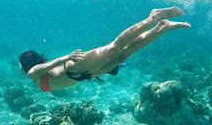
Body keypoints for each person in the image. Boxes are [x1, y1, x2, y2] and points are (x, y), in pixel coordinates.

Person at [19, 7, 191, 92]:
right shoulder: (36, 76)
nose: (19, 67)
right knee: (123, 54)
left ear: (27, 64)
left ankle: (151, 18)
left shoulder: (32, 73)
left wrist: (65, 57)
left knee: (115, 47)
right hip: (85, 75)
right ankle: (161, 28)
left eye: (20, 64)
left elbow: (45, 67)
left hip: (73, 67)